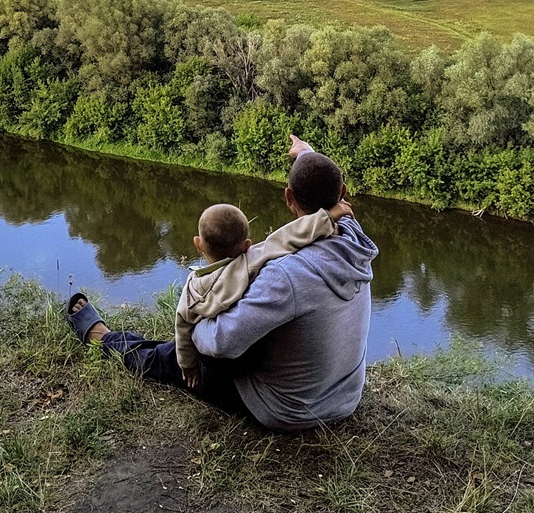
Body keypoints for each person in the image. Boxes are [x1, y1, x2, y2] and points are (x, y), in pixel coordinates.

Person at [66, 135, 378, 430]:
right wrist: (306, 154)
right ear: (343, 195)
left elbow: (220, 344)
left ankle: (104, 340)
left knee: (175, 357)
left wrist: (197, 318)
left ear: (288, 198)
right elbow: (324, 188)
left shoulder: (285, 276)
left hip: (290, 409)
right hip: (345, 397)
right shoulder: (351, 233)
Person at [175, 198, 350, 391]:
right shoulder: (250, 261)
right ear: (247, 245)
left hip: (216, 354)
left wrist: (187, 366)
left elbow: (182, 327)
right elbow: (287, 237)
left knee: (167, 354)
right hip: (244, 357)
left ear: (198, 244)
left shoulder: (193, 288)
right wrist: (326, 217)